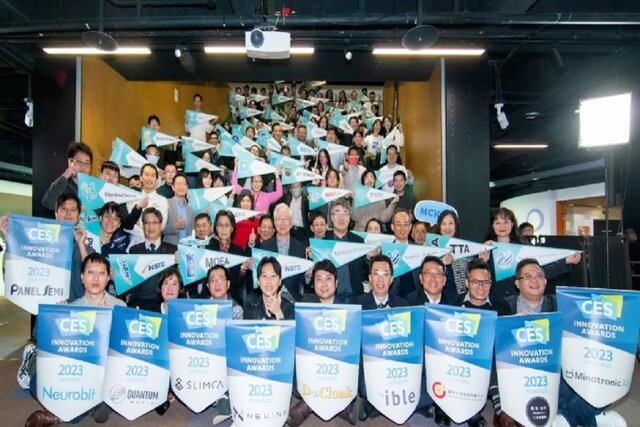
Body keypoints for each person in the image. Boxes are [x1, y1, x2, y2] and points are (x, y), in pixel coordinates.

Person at [492, 259, 625, 427]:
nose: (535, 280)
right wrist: (512, 325)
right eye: (527, 276)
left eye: (539, 276)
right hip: (522, 378)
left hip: (560, 374)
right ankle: (589, 416)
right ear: (517, 283)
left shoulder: (560, 304)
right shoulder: (504, 307)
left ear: (545, 281)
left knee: (607, 377)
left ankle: (565, 418)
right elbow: (495, 349)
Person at [23, 253, 124, 427]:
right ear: (82, 277)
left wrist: (112, 323)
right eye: (90, 272)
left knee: (112, 381)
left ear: (108, 278)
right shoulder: (70, 307)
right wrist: (54, 317)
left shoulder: (120, 307)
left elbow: (123, 351)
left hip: (102, 371)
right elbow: (43, 339)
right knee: (39, 379)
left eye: (101, 273)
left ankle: (57, 416)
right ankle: (95, 404)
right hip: (73, 372)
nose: (95, 278)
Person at [484, 207, 580, 302]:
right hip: (494, 301)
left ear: (512, 224)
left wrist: (565, 261)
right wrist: (483, 261)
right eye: (497, 223)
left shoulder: (523, 247)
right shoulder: (486, 249)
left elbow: (541, 272)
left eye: (506, 222)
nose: (502, 226)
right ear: (492, 226)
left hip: (520, 301)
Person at [356, 254, 409, 421]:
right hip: (369, 365)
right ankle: (378, 403)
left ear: (391, 279)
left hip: (395, 365)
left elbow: (407, 343)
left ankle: (373, 406)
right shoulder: (357, 305)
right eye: (376, 274)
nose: (380, 280)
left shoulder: (403, 306)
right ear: (370, 278)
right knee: (365, 387)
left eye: (385, 274)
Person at [127, 207, 178, 311]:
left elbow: (178, 281)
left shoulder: (173, 250)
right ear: (142, 226)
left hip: (163, 304)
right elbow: (128, 280)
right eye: (147, 223)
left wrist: (180, 264)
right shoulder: (134, 250)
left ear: (161, 225)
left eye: (155, 222)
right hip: (138, 303)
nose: (151, 226)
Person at [258, 204, 307, 301]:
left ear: (291, 223)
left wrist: (308, 275)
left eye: (286, 219)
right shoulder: (264, 246)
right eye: (279, 218)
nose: (283, 222)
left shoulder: (300, 247)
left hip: (293, 297)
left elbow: (303, 278)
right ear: (274, 222)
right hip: (270, 296)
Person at [324, 200, 369, 302]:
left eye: (345, 213)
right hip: (331, 298)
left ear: (349, 218)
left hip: (355, 296)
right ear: (332, 217)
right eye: (337, 213)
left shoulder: (358, 241)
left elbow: (366, 272)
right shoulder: (323, 242)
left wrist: (368, 258)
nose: (341, 217)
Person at [205, 210, 251, 305]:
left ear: (232, 228)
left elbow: (239, 284)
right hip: (209, 299)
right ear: (216, 228)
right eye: (220, 225)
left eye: (227, 225)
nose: (223, 229)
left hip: (232, 299)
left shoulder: (239, 251)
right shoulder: (207, 248)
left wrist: (242, 270)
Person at [125, 163, 169, 248]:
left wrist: (139, 224)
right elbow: (128, 224)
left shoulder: (163, 201)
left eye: (153, 175)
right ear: (141, 177)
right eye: (147, 175)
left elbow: (162, 225)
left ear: (157, 180)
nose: (149, 178)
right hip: (134, 245)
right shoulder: (132, 199)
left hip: (155, 246)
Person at [41, 141, 93, 211]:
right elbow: (48, 203)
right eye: (79, 161)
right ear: (70, 162)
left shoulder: (94, 188)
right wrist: (65, 176)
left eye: (87, 163)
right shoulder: (62, 185)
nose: (83, 167)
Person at [164, 173, 194, 245]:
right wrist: (175, 227)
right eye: (178, 184)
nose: (181, 187)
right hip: (170, 247)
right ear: (173, 187)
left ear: (187, 187)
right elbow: (160, 228)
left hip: (188, 249)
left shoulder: (190, 210)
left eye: (183, 184)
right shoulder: (166, 204)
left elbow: (192, 232)